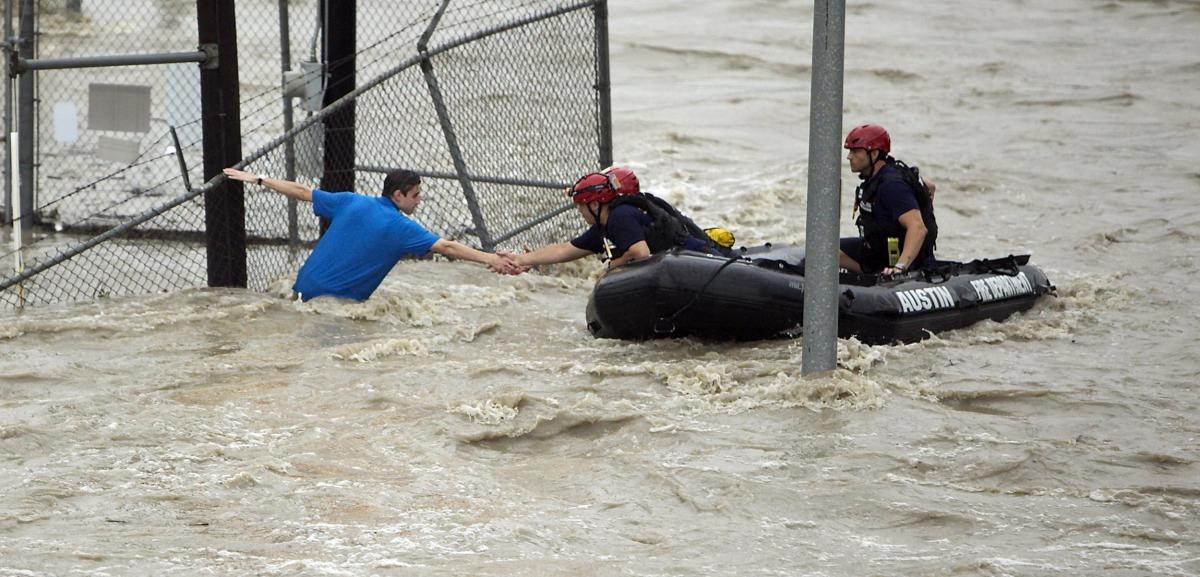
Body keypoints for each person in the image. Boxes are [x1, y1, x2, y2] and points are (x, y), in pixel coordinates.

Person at [222, 167, 521, 301]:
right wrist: (491, 259)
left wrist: (259, 178)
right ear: (398, 195)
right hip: (334, 306)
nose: (420, 200)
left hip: (300, 290)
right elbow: (448, 247)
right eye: (416, 195)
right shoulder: (402, 228)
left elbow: (302, 191)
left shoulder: (351, 200)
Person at [506, 166, 728, 273]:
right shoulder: (605, 225)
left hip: (702, 262)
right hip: (686, 266)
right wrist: (522, 259)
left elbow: (640, 253)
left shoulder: (621, 216)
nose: (580, 211)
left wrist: (612, 265)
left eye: (581, 206)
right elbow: (564, 250)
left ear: (594, 205)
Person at [838, 123, 939, 275]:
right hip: (878, 249)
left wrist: (900, 267)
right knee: (825, 250)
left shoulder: (892, 186)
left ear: (874, 154)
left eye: (855, 151)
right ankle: (869, 274)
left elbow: (918, 228)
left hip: (906, 260)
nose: (849, 156)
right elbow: (930, 186)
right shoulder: (877, 177)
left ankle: (877, 275)